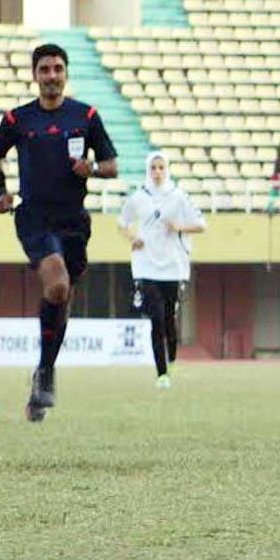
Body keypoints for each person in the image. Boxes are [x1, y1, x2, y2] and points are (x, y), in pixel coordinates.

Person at [0, 43, 118, 422]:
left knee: (62, 301)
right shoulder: (18, 119)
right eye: (44, 69)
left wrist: (90, 170)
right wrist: (0, 191)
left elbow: (111, 165)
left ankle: (43, 376)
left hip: (74, 220)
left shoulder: (86, 115)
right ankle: (45, 373)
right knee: (57, 284)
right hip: (34, 217)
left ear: (66, 73)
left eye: (57, 68)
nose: (51, 76)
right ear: (35, 75)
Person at [118, 152, 206, 388]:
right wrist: (132, 237)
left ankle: (172, 358)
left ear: (167, 170)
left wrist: (179, 227)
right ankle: (162, 374)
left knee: (169, 319)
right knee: (156, 319)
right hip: (146, 266)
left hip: (172, 267)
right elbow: (122, 222)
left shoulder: (178, 197)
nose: (157, 172)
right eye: (153, 168)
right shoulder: (139, 197)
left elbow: (201, 225)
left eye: (161, 168)